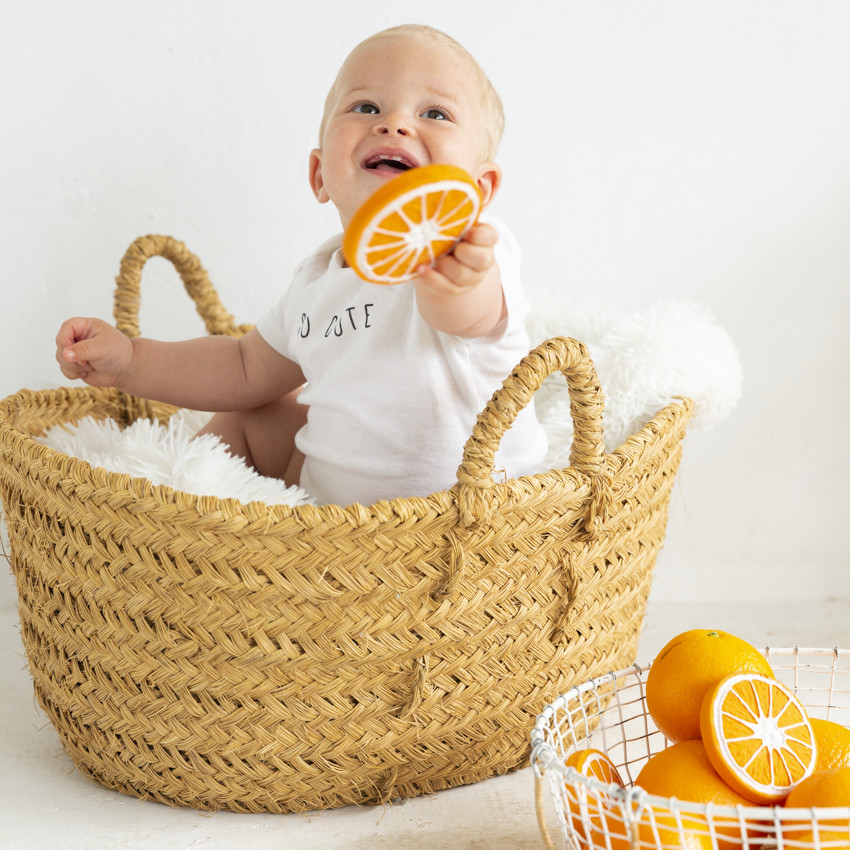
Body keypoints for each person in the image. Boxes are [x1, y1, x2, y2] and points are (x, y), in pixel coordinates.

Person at [56, 24, 547, 506]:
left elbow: (468, 316)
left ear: (479, 190)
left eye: (435, 113)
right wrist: (132, 362)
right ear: (319, 176)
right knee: (248, 416)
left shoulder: (475, 249)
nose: (394, 123)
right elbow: (244, 367)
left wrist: (455, 283)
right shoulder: (316, 278)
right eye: (366, 106)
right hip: (327, 513)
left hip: (463, 513)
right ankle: (179, 528)